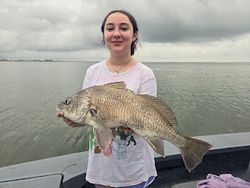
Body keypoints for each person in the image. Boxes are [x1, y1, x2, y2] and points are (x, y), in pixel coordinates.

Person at [58, 9, 157, 188]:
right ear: (103, 35)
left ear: (134, 35)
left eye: (124, 28)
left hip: (134, 169)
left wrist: (129, 123)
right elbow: (92, 120)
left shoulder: (145, 74)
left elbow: (149, 119)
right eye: (110, 28)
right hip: (102, 168)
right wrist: (76, 121)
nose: (116, 34)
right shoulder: (92, 72)